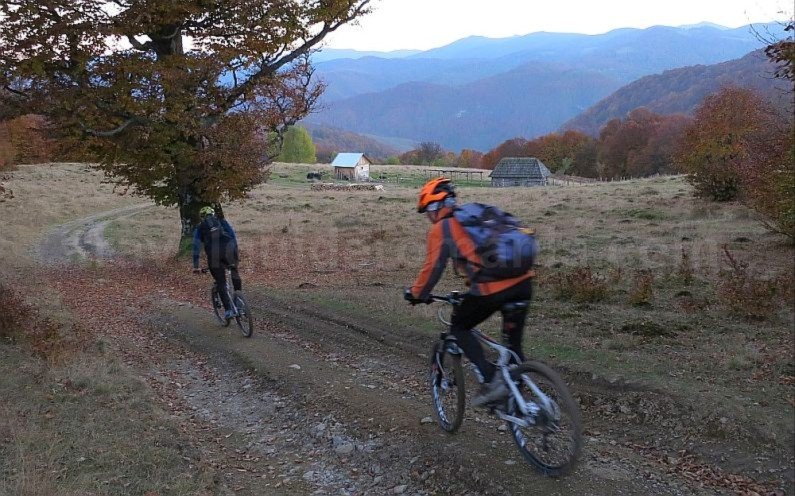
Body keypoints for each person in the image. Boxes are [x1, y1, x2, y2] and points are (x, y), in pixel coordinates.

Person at [404, 177, 534, 407]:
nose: (428, 217)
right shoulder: (476, 214)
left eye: (427, 211)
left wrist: (416, 293)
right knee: (513, 348)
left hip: (492, 289)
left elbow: (432, 268)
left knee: (460, 326)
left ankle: (491, 380)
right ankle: (521, 404)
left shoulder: (442, 228)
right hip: (523, 282)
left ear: (435, 206)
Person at [192, 206, 242, 320]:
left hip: (214, 255)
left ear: (202, 217)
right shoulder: (222, 221)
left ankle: (229, 310)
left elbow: (195, 247)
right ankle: (239, 300)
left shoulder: (200, 228)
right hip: (230, 250)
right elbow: (233, 235)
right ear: (213, 214)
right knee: (234, 273)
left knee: (221, 282)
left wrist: (196, 266)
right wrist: (235, 251)